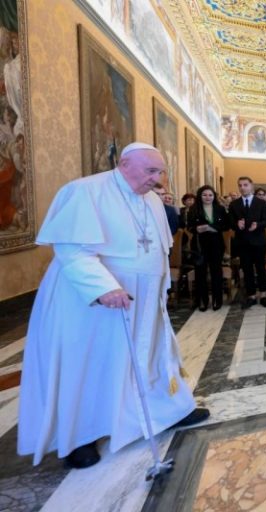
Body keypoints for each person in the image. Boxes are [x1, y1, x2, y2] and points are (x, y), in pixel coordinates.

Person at [18, 142, 208, 469]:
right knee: (92, 362)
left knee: (149, 355)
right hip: (94, 303)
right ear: (125, 164)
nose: (157, 179)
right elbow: (72, 250)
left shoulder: (151, 200)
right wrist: (103, 287)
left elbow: (157, 249)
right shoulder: (85, 191)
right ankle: (80, 437)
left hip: (143, 300)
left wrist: (160, 285)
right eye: (151, 171)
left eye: (160, 172)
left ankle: (165, 411)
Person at [229, 177, 266, 308]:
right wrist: (237, 224)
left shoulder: (262, 203)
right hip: (242, 242)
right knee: (247, 269)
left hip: (259, 241)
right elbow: (230, 222)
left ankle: (263, 294)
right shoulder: (234, 204)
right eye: (240, 185)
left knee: (261, 268)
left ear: (251, 186)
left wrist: (257, 225)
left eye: (245, 185)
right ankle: (251, 295)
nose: (242, 187)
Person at [190, 185, 230, 311]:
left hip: (216, 244)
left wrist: (211, 227)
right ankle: (202, 300)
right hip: (199, 245)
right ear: (200, 196)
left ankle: (217, 300)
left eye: (210, 195)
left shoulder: (220, 209)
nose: (207, 197)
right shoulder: (193, 209)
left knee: (216, 272)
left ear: (214, 196)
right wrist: (196, 228)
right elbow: (189, 227)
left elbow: (226, 225)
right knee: (200, 273)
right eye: (204, 195)